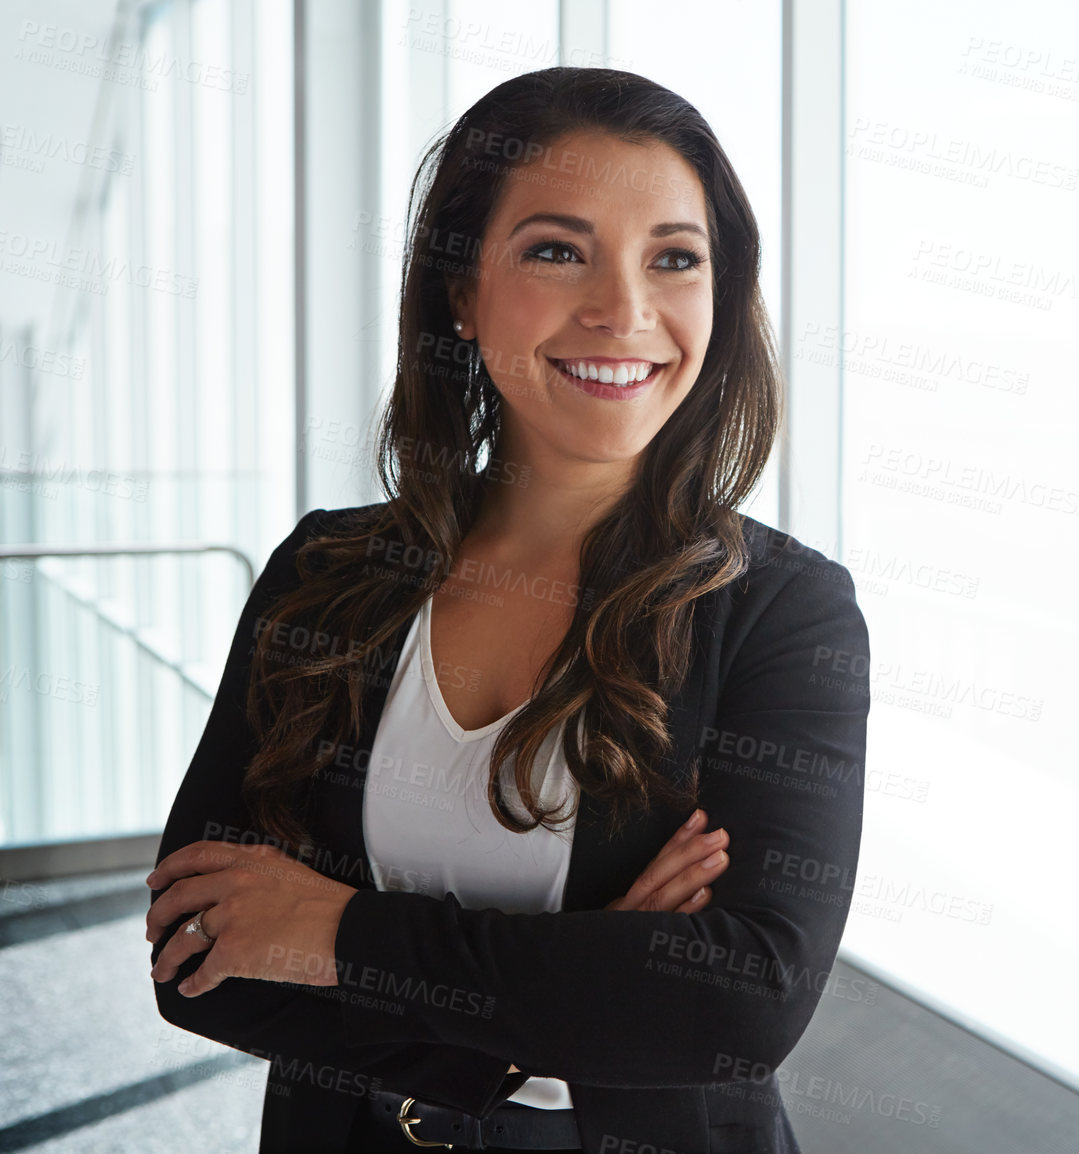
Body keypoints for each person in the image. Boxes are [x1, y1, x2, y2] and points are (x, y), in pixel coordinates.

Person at [142, 67, 870, 1154]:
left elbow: (737, 1004)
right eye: (555, 249)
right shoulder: (326, 571)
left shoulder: (781, 611)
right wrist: (568, 994)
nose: (623, 310)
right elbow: (199, 957)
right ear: (460, 289)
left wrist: (338, 934)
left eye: (673, 258)